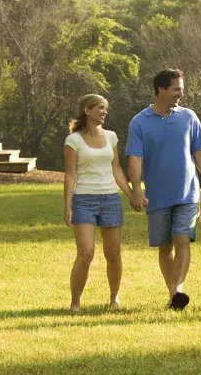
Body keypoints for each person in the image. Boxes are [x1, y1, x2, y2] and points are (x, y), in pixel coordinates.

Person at [126, 68, 201, 310]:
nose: (181, 94)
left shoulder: (189, 117)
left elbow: (200, 153)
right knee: (165, 246)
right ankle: (173, 293)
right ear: (161, 89)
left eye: (182, 89)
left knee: (182, 238)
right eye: (177, 89)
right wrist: (137, 190)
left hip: (188, 193)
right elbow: (134, 159)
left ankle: (179, 288)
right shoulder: (139, 122)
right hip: (157, 196)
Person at [63, 94, 134, 312]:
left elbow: (117, 169)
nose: (104, 112)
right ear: (87, 110)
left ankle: (114, 299)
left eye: (106, 109)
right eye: (100, 108)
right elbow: (70, 175)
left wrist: (132, 195)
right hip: (84, 200)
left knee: (113, 254)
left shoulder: (111, 137)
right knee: (86, 253)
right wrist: (67, 206)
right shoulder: (73, 140)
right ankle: (75, 303)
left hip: (111, 199)